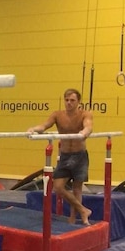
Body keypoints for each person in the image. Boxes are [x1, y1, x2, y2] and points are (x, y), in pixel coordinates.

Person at [27, 88, 94, 225]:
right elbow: (44, 126)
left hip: (79, 155)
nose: (69, 103)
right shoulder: (57, 115)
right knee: (58, 187)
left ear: (78, 102)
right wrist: (33, 129)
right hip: (65, 156)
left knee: (77, 189)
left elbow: (88, 126)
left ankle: (74, 218)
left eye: (72, 100)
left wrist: (84, 132)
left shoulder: (85, 114)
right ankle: (83, 210)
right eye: (67, 100)